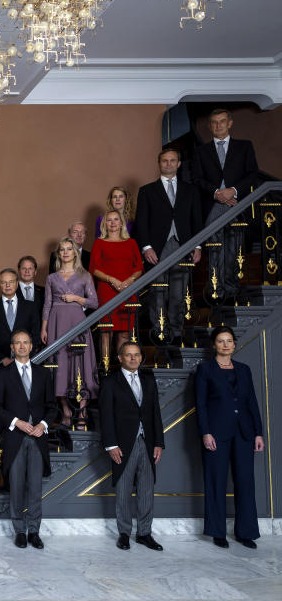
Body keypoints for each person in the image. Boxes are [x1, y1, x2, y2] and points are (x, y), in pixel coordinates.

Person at [196, 326, 265, 550]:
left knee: (245, 482)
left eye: (229, 341)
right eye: (220, 341)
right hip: (216, 433)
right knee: (215, 481)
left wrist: (258, 433)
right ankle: (217, 532)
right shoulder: (205, 370)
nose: (226, 345)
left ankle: (246, 532)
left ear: (234, 344)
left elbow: (252, 402)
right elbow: (201, 405)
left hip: (244, 432)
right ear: (214, 345)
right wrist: (206, 432)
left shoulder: (244, 370)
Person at [0, 330, 57, 549]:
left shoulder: (43, 374)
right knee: (17, 486)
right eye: (17, 343)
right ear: (12, 347)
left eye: (25, 342)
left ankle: (34, 531)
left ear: (31, 346)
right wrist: (16, 422)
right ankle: (19, 530)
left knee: (35, 487)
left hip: (38, 438)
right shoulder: (3, 374)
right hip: (15, 437)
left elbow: (52, 407)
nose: (21, 346)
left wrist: (43, 425)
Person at [133, 148, 204, 344]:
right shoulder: (147, 191)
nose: (169, 164)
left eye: (173, 160)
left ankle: (176, 331)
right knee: (157, 291)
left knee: (178, 291)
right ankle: (159, 331)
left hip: (183, 246)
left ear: (179, 164)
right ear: (159, 163)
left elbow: (196, 220)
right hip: (157, 248)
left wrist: (197, 245)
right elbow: (142, 221)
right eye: (165, 161)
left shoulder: (190, 190)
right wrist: (146, 247)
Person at [100, 341, 164, 552]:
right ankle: (124, 534)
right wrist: (111, 445)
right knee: (124, 490)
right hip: (122, 444)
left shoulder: (148, 379)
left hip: (147, 442)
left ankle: (144, 533)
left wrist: (158, 443)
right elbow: (106, 416)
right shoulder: (110, 382)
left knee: (147, 490)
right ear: (120, 358)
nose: (134, 358)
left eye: (137, 355)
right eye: (129, 355)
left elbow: (155, 412)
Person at [191, 109, 261, 301]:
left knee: (234, 247)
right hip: (213, 205)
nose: (218, 125)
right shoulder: (201, 151)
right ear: (209, 125)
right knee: (214, 248)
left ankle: (232, 290)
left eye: (222, 121)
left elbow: (253, 174)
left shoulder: (244, 147)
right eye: (214, 122)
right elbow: (196, 178)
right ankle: (216, 290)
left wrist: (233, 190)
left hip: (237, 204)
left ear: (229, 123)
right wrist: (217, 193)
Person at [42, 237, 99, 426]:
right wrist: (44, 327)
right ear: (59, 254)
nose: (65, 252)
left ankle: (81, 412)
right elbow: (47, 304)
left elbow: (94, 302)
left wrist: (76, 298)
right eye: (62, 250)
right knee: (59, 366)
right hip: (56, 323)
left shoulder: (85, 276)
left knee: (80, 365)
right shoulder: (51, 277)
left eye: (69, 249)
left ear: (75, 252)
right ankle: (66, 411)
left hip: (77, 323)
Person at [90, 209, 143, 363]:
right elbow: (94, 268)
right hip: (107, 291)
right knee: (106, 331)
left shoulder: (131, 243)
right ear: (104, 224)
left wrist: (131, 280)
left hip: (128, 291)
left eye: (116, 219)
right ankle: (106, 369)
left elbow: (139, 267)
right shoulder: (99, 243)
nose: (113, 223)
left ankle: (122, 368)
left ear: (122, 223)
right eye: (109, 220)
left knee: (125, 333)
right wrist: (111, 279)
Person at [0, 268, 41, 366]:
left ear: (17, 284)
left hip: (26, 361)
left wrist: (25, 356)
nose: (7, 285)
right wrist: (2, 359)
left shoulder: (31, 307)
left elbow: (35, 334)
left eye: (11, 282)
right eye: (4, 282)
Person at [16, 255, 45, 323]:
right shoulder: (11, 291)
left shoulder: (44, 291)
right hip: (17, 332)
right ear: (19, 271)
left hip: (39, 331)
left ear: (35, 272)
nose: (27, 271)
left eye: (30, 268)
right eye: (24, 268)